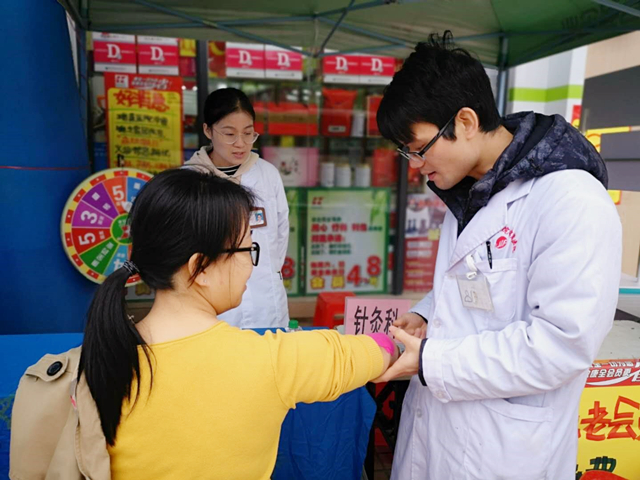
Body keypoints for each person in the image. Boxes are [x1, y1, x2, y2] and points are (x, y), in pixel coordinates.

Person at [375, 32, 622, 479]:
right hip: (439, 432)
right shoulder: (471, 190)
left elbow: (562, 344)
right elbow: (478, 285)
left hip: (504, 450)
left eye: (419, 149)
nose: (415, 165)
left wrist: (433, 361)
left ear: (466, 121)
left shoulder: (571, 199)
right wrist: (427, 314)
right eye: (406, 153)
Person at [69, 168, 398, 479]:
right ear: (201, 267)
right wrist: (398, 341)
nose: (250, 265)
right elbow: (379, 350)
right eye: (246, 248)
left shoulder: (99, 360)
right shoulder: (272, 360)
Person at [184, 87, 289, 328]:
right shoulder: (189, 179)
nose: (240, 143)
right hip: (210, 305)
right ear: (207, 130)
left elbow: (280, 234)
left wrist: (269, 272)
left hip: (266, 301)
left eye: (248, 133)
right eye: (229, 134)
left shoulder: (267, 174)